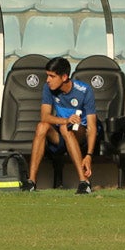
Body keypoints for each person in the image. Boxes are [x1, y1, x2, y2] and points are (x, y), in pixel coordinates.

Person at [23, 57, 97, 195]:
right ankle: (31, 182)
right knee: (42, 126)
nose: (48, 80)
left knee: (65, 128)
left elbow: (92, 127)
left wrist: (89, 155)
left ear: (64, 77)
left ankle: (84, 182)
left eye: (52, 76)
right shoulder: (48, 88)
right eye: (47, 76)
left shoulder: (84, 90)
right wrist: (66, 120)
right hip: (61, 133)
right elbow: (45, 116)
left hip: (80, 135)